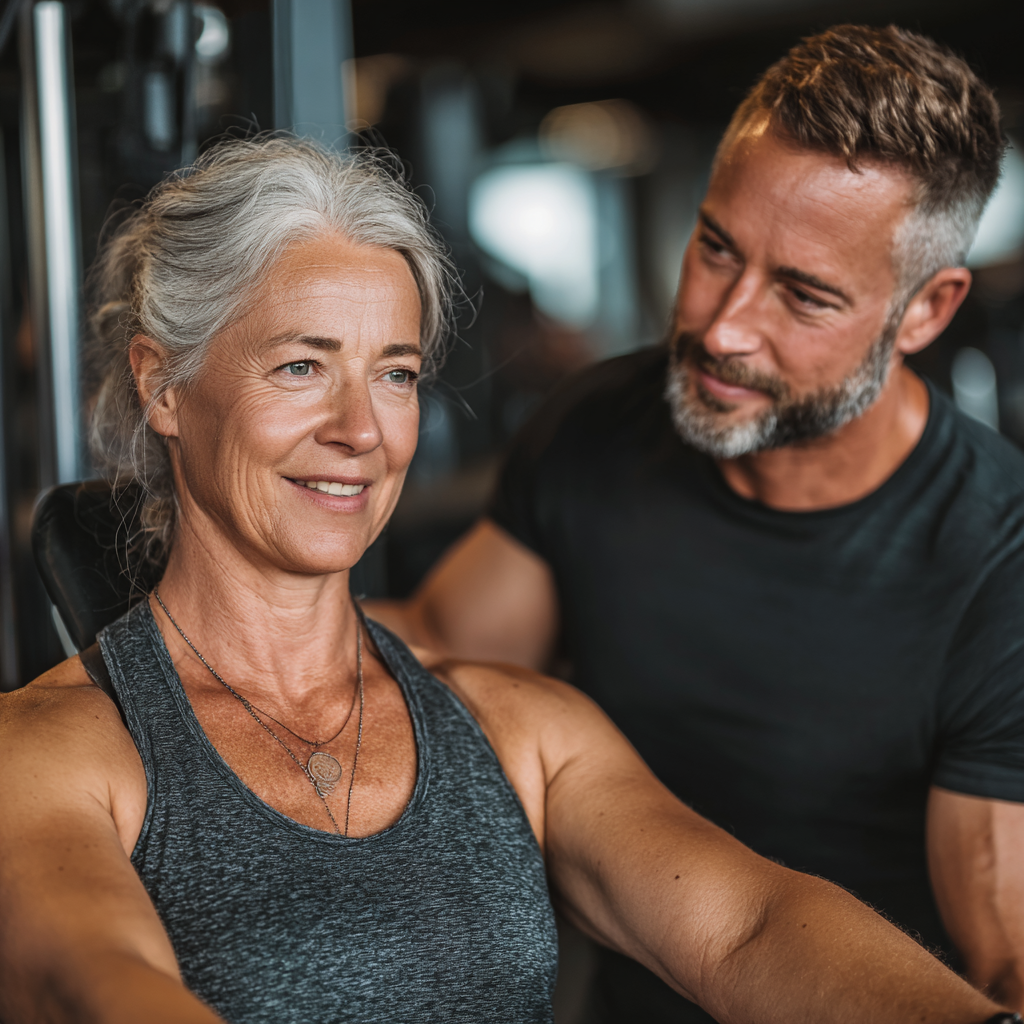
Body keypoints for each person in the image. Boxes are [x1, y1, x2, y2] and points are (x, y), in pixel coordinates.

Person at [0, 138, 1012, 1024]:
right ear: (162, 383)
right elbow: (92, 984)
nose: (362, 431)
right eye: (302, 366)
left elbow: (750, 927)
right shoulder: (54, 753)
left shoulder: (520, 730)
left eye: (394, 373)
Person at [367, 24, 1024, 1024]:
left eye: (801, 294)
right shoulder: (599, 425)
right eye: (715, 247)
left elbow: (1001, 960)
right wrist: (202, 632)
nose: (721, 326)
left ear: (925, 311)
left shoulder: (1000, 562)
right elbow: (439, 649)